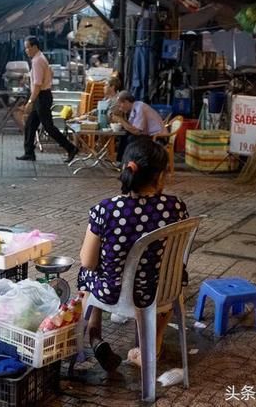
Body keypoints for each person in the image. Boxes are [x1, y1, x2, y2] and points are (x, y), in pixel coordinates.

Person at [77, 139, 189, 371]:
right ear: (159, 177)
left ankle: (95, 337)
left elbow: (88, 261)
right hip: (161, 291)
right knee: (179, 277)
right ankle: (151, 345)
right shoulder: (176, 206)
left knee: (87, 274)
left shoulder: (105, 210)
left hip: (115, 292)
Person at [16, 36, 78, 162]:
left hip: (41, 96)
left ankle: (71, 148)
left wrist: (30, 101)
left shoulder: (37, 60)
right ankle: (29, 152)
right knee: (30, 125)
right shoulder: (39, 58)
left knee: (48, 127)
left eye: (28, 48)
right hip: (41, 95)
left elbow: (38, 84)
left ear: (34, 47)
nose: (26, 50)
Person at [112, 90, 166, 162]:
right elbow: (132, 128)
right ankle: (121, 161)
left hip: (158, 138)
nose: (120, 108)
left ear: (126, 102)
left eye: (120, 105)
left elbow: (136, 131)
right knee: (125, 135)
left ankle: (130, 162)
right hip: (149, 135)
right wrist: (121, 119)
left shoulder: (139, 108)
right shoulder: (134, 108)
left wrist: (121, 120)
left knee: (131, 138)